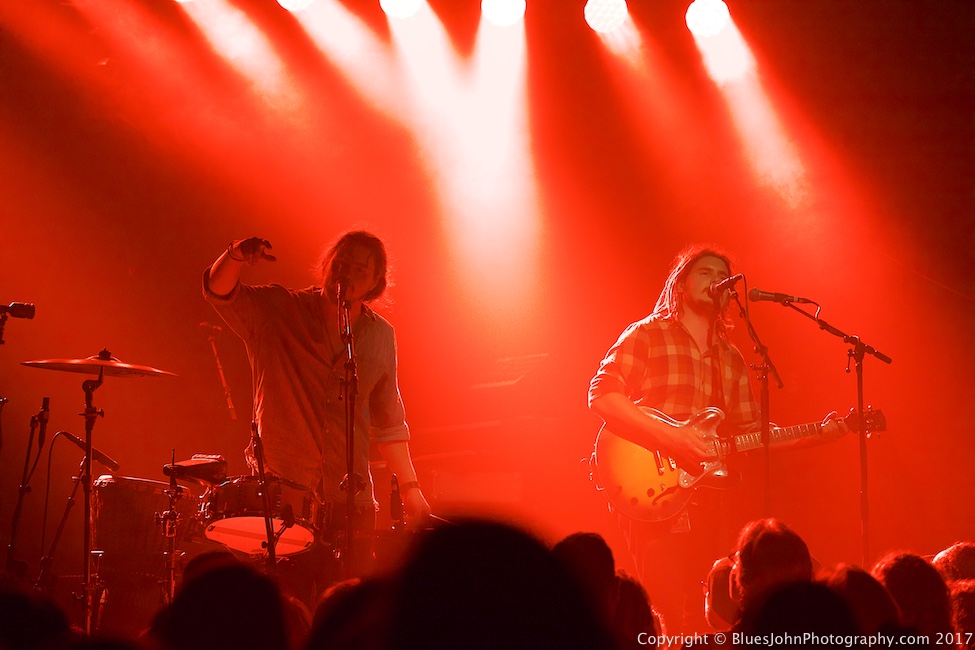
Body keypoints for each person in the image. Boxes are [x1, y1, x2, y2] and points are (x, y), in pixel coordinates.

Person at [588, 244, 844, 633]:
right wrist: (671, 437)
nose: (716, 280)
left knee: (709, 604)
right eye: (705, 272)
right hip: (648, 482)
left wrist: (815, 436)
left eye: (722, 276)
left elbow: (751, 435)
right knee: (662, 600)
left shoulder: (732, 358)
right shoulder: (648, 333)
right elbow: (602, 394)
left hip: (703, 493)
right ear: (681, 284)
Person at [203, 232, 431, 582]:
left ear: (375, 283)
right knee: (285, 602)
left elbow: (389, 424)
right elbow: (219, 292)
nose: (346, 274)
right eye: (340, 263)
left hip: (349, 502)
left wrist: (412, 491)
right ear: (326, 265)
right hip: (283, 496)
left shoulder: (381, 336)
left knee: (341, 606)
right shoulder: (280, 310)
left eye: (358, 270)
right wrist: (234, 255)